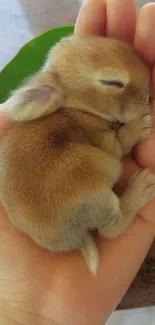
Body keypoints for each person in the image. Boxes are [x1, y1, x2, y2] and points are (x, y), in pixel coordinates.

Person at [0, 0, 155, 324]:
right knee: (94, 169)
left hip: (57, 217)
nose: (145, 99)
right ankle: (117, 219)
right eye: (113, 83)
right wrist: (126, 135)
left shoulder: (71, 119)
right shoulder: (59, 108)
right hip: (59, 215)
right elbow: (107, 149)